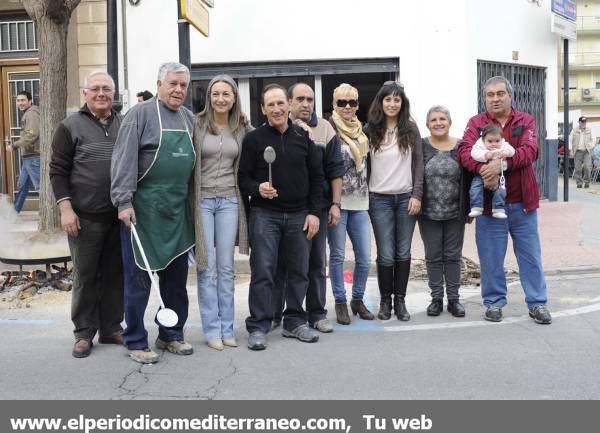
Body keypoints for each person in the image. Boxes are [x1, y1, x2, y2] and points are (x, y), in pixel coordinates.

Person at [111, 62, 196, 364]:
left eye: (183, 85)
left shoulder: (189, 119)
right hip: (142, 213)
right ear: (159, 84)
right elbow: (123, 160)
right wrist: (123, 201)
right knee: (138, 282)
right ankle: (135, 339)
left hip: (176, 213)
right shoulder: (139, 115)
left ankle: (171, 334)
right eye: (172, 83)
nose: (178, 90)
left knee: (175, 280)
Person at [458, 75, 551, 325]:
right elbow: (465, 152)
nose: (495, 98)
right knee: (491, 258)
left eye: (500, 93)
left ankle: (538, 303)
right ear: (485, 98)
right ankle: (494, 303)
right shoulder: (475, 123)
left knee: (530, 256)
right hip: (489, 206)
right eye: (490, 94)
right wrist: (483, 170)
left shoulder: (525, 120)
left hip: (523, 205)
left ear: (510, 95)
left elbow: (530, 151)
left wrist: (502, 164)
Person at [238, 83, 324, 350]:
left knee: (299, 271)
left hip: (299, 215)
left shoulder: (303, 138)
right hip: (265, 215)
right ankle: (259, 325)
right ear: (263, 109)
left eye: (280, 103)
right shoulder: (253, 140)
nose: (276, 109)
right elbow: (243, 178)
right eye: (270, 105)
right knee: (263, 271)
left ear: (288, 105)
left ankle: (295, 321)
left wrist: (314, 213)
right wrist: (257, 188)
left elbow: (317, 178)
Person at [49, 71, 123, 358]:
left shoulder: (124, 123)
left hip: (117, 216)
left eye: (107, 88)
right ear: (85, 93)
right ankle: (83, 333)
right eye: (96, 89)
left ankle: (111, 327)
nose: (102, 93)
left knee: (115, 275)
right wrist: (65, 209)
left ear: (114, 93)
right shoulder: (69, 127)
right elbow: (57, 171)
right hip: (84, 217)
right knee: (85, 275)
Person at [271, 82, 343, 332]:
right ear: (289, 102)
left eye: (310, 99)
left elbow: (335, 170)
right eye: (300, 99)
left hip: (317, 207)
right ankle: (275, 314)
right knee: (282, 263)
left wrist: (335, 204)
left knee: (315, 261)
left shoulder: (325, 129)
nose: (305, 103)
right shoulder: (276, 126)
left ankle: (316, 313)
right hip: (284, 209)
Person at [193, 75, 252, 351]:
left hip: (229, 201)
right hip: (202, 201)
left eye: (226, 94)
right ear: (209, 97)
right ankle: (212, 329)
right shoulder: (197, 124)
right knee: (207, 267)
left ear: (234, 97)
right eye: (215, 94)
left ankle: (228, 328)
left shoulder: (241, 127)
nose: (220, 99)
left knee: (226, 268)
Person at [365, 81, 423, 322]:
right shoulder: (369, 130)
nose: (392, 103)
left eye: (396, 99)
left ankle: (400, 300)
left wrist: (417, 194)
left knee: (403, 251)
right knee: (386, 254)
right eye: (387, 99)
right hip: (379, 199)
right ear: (380, 102)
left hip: (405, 198)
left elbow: (419, 163)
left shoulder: (410, 128)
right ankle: (385, 301)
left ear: (402, 103)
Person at [327, 83, 374, 325]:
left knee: (365, 258)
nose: (347, 106)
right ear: (333, 104)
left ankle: (357, 299)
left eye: (352, 102)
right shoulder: (329, 129)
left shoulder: (363, 131)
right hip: (337, 203)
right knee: (337, 256)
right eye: (342, 102)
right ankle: (340, 301)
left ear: (357, 105)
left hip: (361, 203)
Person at [419, 106, 471, 318]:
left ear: (449, 122)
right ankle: (436, 299)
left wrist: (468, 208)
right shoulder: (421, 146)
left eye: (442, 119)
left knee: (452, 256)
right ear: (428, 124)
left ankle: (454, 300)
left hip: (454, 213)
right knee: (433, 256)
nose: (438, 123)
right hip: (428, 212)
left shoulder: (461, 146)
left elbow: (467, 180)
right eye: (433, 120)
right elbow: (415, 176)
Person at [468, 124, 515, 219]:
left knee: (501, 190)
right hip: (481, 174)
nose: (494, 144)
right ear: (483, 140)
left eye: (497, 141)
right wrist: (485, 155)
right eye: (490, 141)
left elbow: (512, 150)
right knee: (475, 187)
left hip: (498, 174)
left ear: (501, 139)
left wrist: (507, 153)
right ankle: (476, 207)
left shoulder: (503, 145)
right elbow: (474, 153)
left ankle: (498, 209)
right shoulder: (480, 145)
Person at [6, 90, 40, 213]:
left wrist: (14, 145)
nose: (20, 103)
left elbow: (32, 134)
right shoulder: (28, 113)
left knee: (41, 186)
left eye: (23, 100)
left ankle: (59, 213)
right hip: (28, 157)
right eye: (18, 100)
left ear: (30, 101)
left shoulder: (31, 114)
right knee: (22, 186)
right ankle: (14, 213)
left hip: (33, 156)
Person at [570, 116, 594, 188]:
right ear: (579, 122)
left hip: (586, 151)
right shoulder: (574, 130)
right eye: (582, 122)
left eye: (585, 122)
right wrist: (571, 150)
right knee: (578, 168)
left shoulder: (589, 130)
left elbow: (593, 140)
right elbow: (570, 140)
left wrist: (590, 146)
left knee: (587, 167)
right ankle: (579, 183)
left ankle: (587, 181)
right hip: (577, 151)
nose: (584, 123)